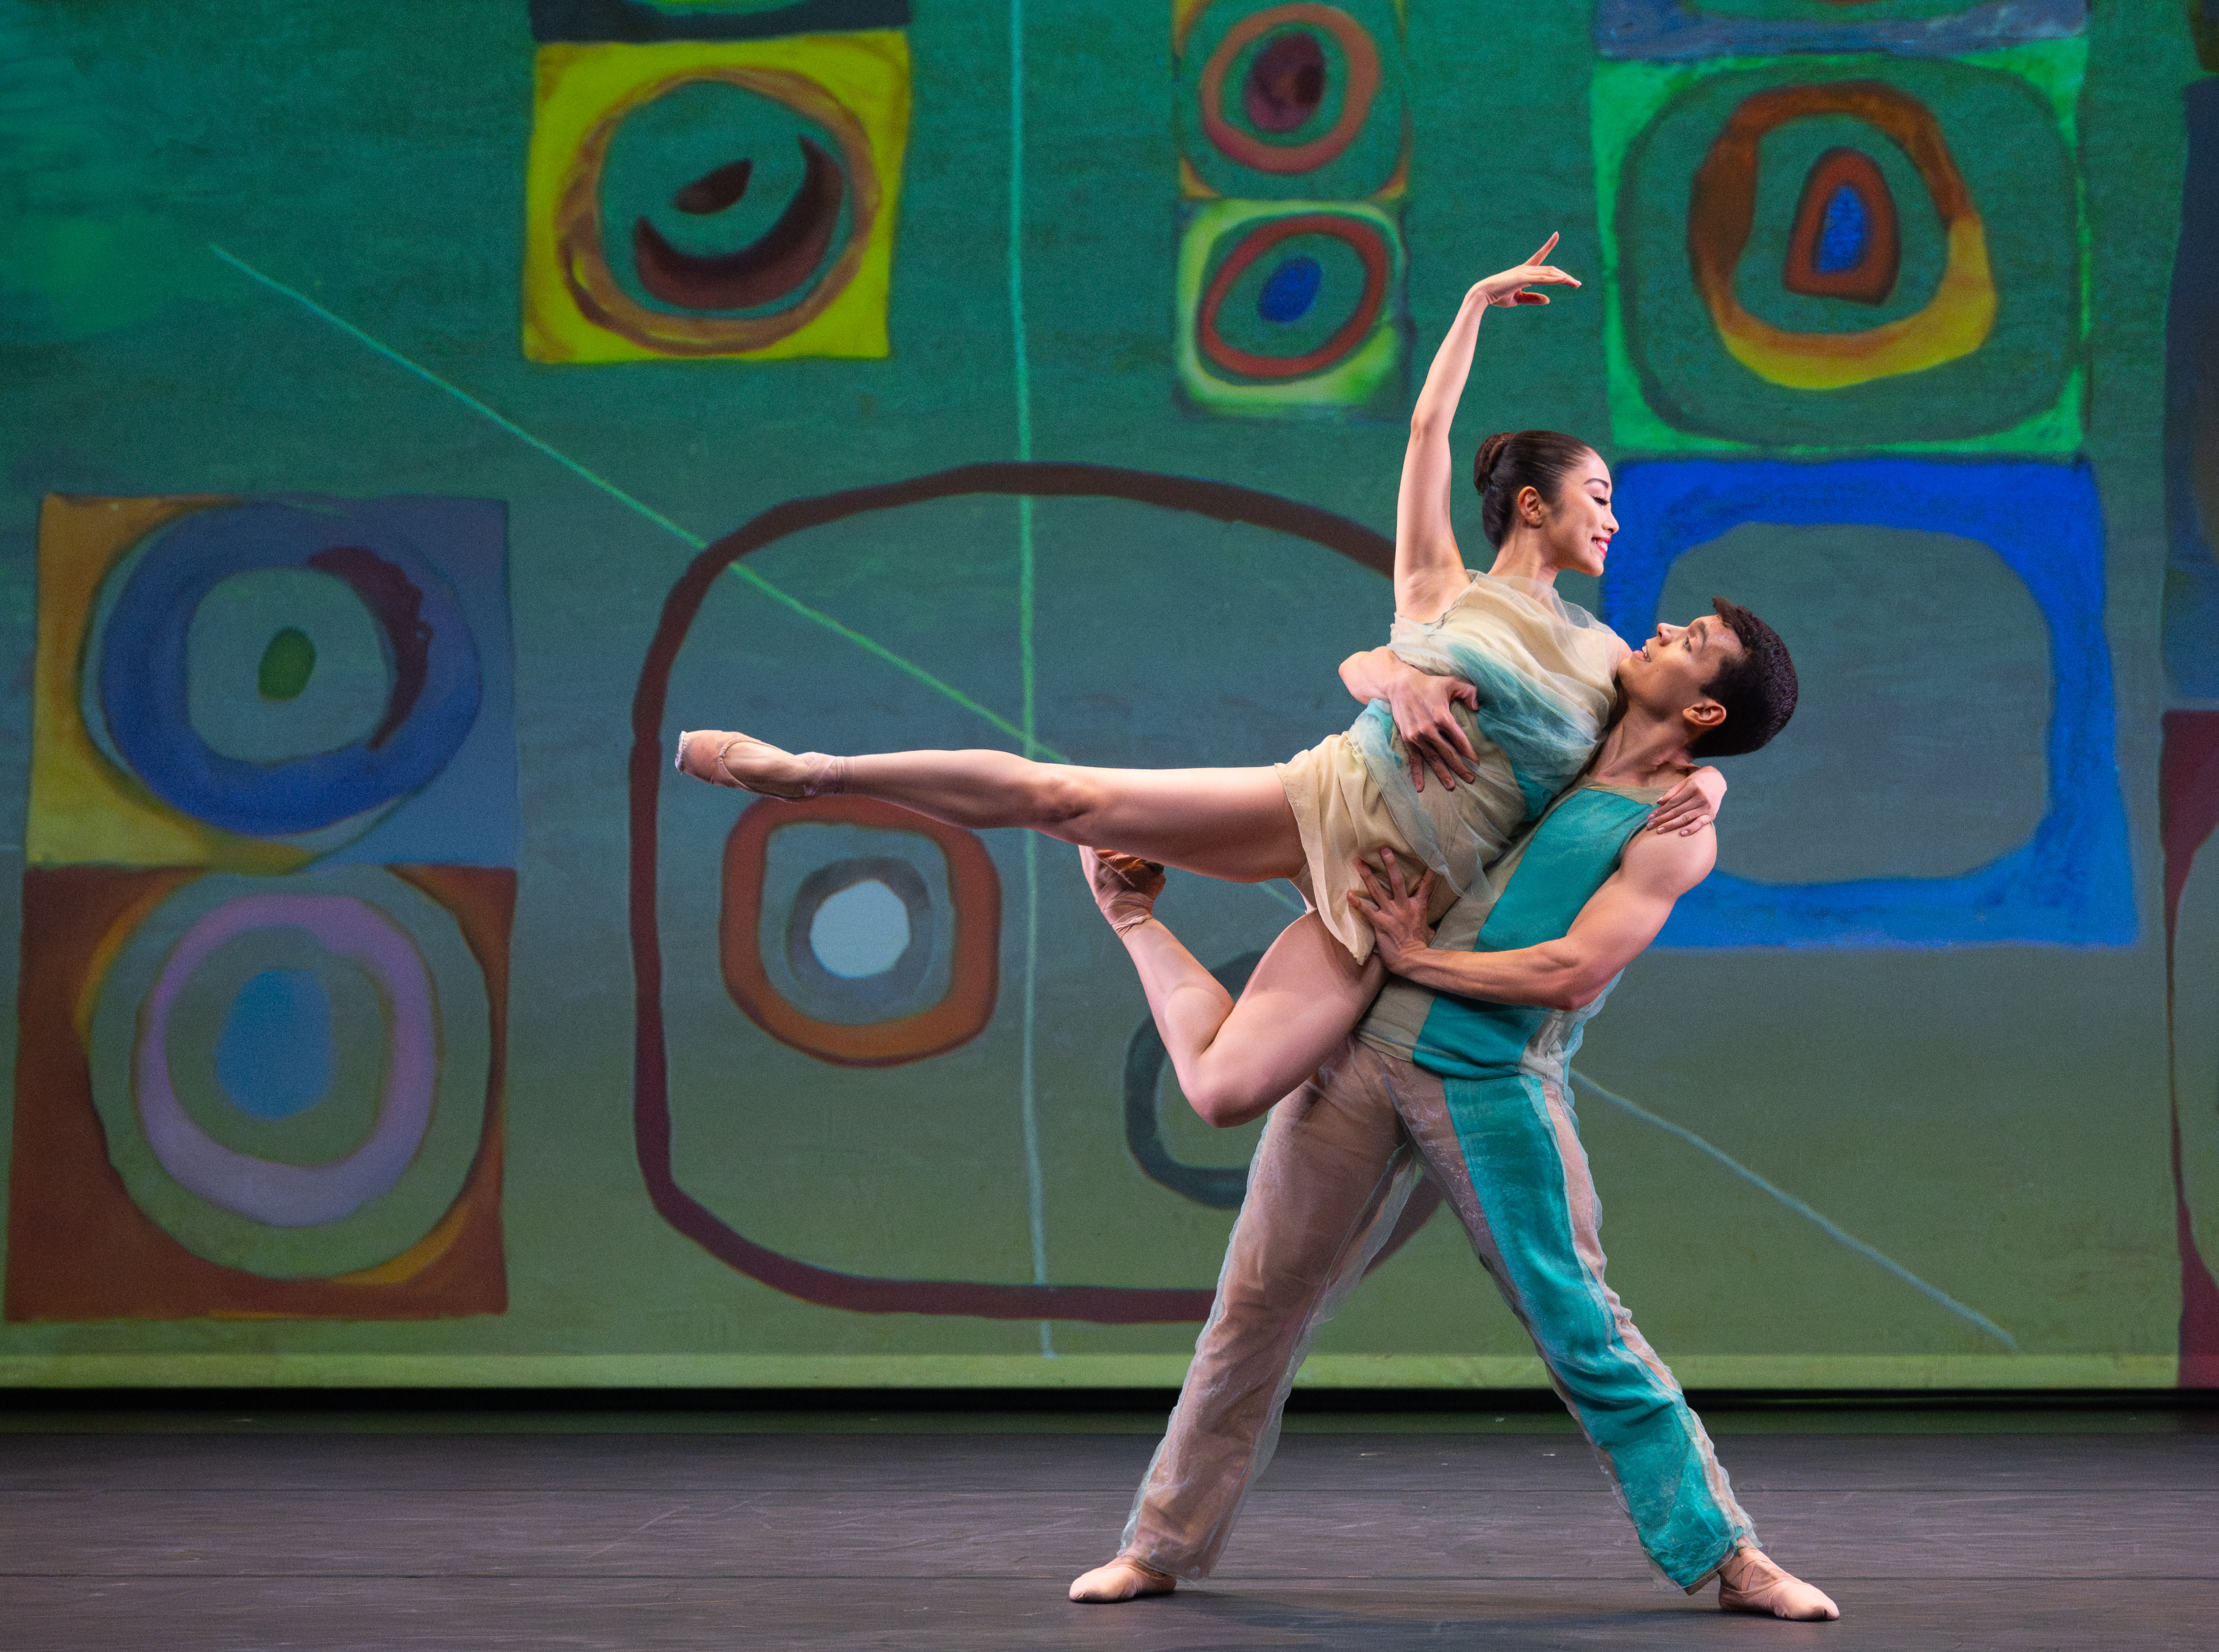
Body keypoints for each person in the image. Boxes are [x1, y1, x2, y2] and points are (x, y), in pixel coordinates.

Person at [674, 238, 1734, 1127]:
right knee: (1068, 797)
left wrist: (1716, 789)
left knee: (1224, 1092)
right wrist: (1469, 308)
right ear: (1534, 506)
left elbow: (1648, 756)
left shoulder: (1610, 657)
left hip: (1398, 894)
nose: (1613, 515)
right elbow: (1425, 432)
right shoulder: (1438, 584)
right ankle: (811, 772)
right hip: (1339, 794)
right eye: (1596, 493)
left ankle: (1128, 911)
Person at [1063, 592, 1834, 1620]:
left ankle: (1733, 1557)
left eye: (1690, 643)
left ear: (1703, 713)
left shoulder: (1676, 824)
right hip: (1363, 1054)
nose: (1658, 632)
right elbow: (1370, 660)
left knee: (1583, 1328)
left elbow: (1570, 966)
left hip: (1492, 1081)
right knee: (1254, 1309)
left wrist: (1423, 955)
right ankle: (1157, 1545)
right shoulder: (1575, 709)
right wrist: (1402, 680)